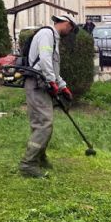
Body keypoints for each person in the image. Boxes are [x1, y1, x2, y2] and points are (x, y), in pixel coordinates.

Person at [19, 14, 77, 178]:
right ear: (66, 23)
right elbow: (44, 61)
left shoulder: (53, 37)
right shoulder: (47, 34)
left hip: (41, 84)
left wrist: (62, 86)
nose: (70, 32)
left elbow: (52, 66)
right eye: (71, 28)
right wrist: (52, 82)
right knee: (44, 123)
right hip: (37, 84)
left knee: (41, 122)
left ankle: (39, 157)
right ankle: (28, 164)